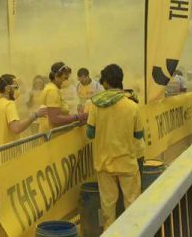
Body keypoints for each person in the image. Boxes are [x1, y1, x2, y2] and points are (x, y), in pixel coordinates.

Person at [86, 64, 144, 229]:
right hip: (126, 163)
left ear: (105, 82)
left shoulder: (95, 105)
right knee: (132, 204)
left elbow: (90, 133)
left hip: (103, 164)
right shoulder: (132, 105)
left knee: (108, 208)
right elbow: (138, 134)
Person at [0, 74, 47, 148]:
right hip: (9, 154)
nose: (17, 91)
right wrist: (36, 115)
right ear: (7, 88)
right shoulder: (9, 104)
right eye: (15, 87)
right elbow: (16, 128)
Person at [41, 62, 87, 132]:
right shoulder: (52, 91)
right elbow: (54, 119)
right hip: (53, 136)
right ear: (56, 76)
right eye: (65, 78)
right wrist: (77, 117)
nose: (66, 81)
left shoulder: (53, 88)